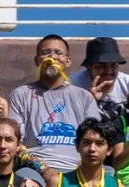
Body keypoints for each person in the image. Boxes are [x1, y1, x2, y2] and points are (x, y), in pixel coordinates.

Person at [7, 34, 100, 174]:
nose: (52, 57)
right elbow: (15, 142)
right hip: (33, 169)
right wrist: (44, 170)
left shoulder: (84, 97)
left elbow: (95, 139)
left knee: (110, 179)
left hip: (77, 169)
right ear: (37, 61)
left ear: (68, 61)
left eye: (59, 53)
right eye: (45, 53)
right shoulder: (20, 94)